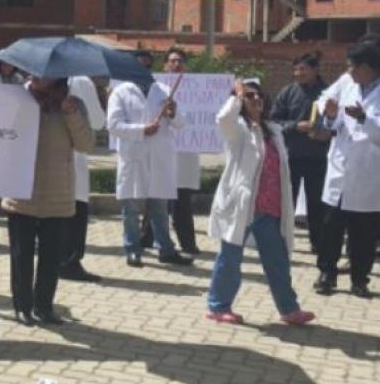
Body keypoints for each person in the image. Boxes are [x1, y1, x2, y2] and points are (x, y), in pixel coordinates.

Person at [205, 79, 316, 326]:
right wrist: (235, 96)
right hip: (243, 207)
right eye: (250, 96)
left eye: (259, 96)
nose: (256, 100)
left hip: (271, 207)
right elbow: (223, 119)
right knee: (230, 259)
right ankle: (218, 306)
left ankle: (289, 309)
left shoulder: (272, 130)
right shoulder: (238, 130)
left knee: (278, 262)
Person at [5, 76, 95, 326]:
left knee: (50, 256)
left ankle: (44, 307)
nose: (35, 79)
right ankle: (22, 307)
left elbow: (86, 144)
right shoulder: (17, 100)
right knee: (21, 254)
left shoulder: (72, 103)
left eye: (42, 75)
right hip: (22, 189)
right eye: (32, 73)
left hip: (58, 191)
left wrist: (71, 113)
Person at [315, 43, 380, 298]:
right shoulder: (346, 82)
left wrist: (365, 118)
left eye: (353, 66)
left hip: (370, 169)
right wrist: (329, 113)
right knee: (331, 226)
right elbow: (324, 100)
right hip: (341, 164)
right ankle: (326, 274)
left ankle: (359, 279)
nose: (349, 70)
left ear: (366, 68)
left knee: (363, 230)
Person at [107, 74, 194, 268]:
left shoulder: (163, 90)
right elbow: (113, 125)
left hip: (159, 157)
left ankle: (166, 250)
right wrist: (141, 130)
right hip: (134, 157)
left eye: (147, 66)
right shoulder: (121, 92)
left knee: (160, 208)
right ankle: (132, 250)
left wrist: (173, 113)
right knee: (130, 209)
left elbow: (181, 123)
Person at [270, 52, 332, 254]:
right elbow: (274, 122)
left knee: (317, 202)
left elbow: (338, 122)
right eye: (296, 69)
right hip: (292, 155)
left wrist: (327, 132)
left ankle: (319, 242)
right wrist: (296, 126)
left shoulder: (328, 93)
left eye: (303, 69)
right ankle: (283, 240)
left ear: (315, 70)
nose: (299, 73)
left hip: (319, 156)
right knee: (287, 200)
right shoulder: (287, 93)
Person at [141, 48, 200, 255]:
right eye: (172, 61)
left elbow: (184, 121)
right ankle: (146, 239)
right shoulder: (155, 88)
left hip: (185, 154)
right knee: (155, 197)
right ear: (165, 65)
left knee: (182, 201)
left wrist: (174, 113)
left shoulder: (195, 88)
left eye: (180, 61)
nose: (176, 65)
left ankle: (188, 244)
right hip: (159, 150)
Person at [59, 75, 106, 282]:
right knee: (75, 214)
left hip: (44, 162)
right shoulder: (82, 83)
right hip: (74, 159)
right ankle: (70, 263)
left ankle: (53, 261)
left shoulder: (34, 84)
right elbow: (97, 121)